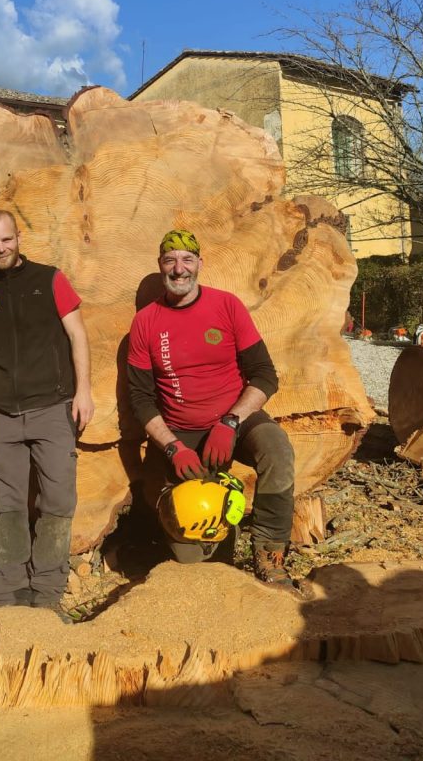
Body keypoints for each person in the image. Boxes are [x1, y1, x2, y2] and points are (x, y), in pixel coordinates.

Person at [127, 230, 298, 590]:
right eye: (170, 260)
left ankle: (269, 555)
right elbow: (141, 398)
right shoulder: (146, 322)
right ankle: (210, 565)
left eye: (187, 259)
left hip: (235, 417)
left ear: (200, 264)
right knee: (194, 561)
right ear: (160, 266)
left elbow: (265, 376)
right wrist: (172, 446)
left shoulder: (226, 306)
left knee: (277, 450)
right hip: (179, 432)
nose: (179, 268)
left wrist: (231, 422)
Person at [0, 209, 95, 617]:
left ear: (19, 237)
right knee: (8, 505)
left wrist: (83, 391)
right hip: (0, 415)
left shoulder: (50, 280)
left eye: (7, 239)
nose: (0, 248)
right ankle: (8, 593)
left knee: (56, 501)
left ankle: (48, 591)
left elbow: (78, 335)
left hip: (53, 407)